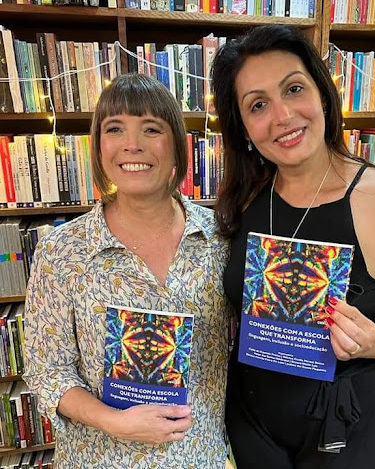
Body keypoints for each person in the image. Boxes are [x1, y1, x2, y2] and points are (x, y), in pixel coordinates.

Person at [211, 25, 375, 469]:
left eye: (294, 88)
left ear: (322, 93)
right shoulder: (243, 199)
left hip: (348, 426)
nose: (282, 115)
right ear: (242, 127)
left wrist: (371, 340)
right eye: (258, 104)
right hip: (254, 423)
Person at [23, 73, 230, 468]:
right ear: (99, 146)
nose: (132, 144)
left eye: (151, 128)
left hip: (198, 457)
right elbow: (46, 369)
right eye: (115, 129)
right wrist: (115, 422)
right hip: (100, 458)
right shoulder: (63, 251)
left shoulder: (220, 238)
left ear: (177, 146)